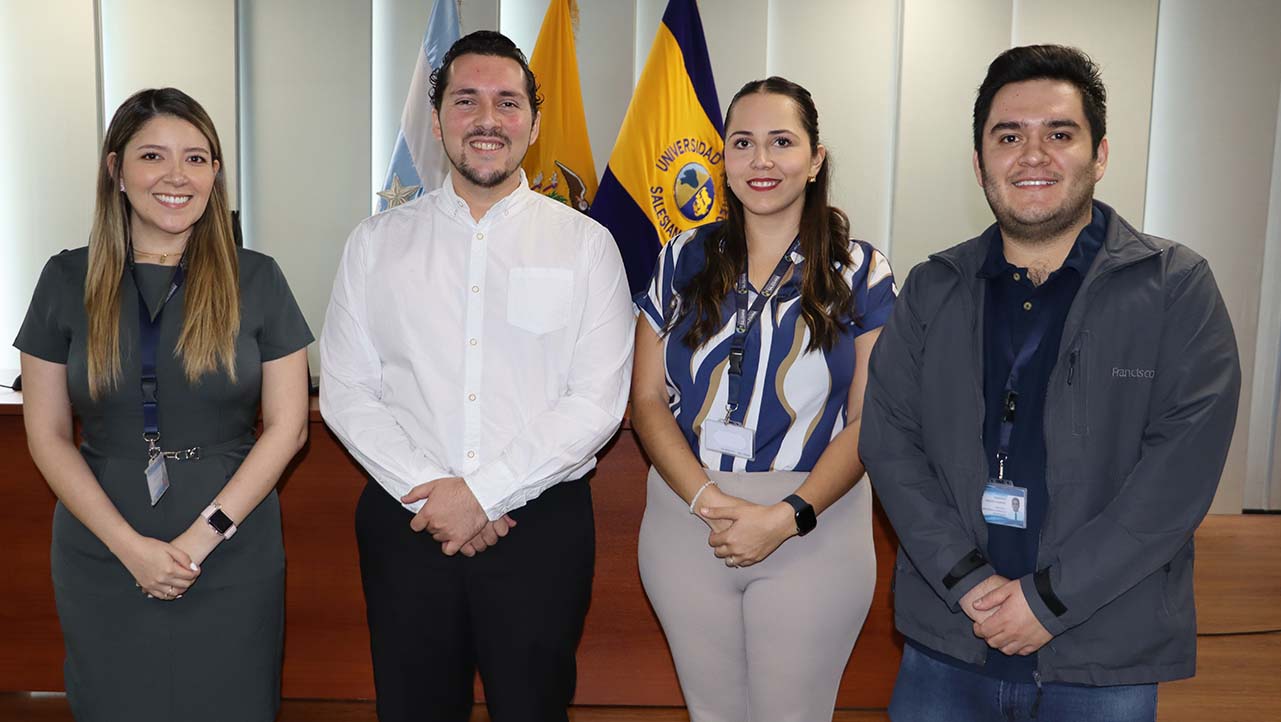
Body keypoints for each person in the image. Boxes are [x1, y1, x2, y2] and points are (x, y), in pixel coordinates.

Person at [861, 45, 1241, 721]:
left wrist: (1048, 601)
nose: (1031, 156)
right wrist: (967, 582)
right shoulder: (931, 289)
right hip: (952, 638)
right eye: (1008, 136)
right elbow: (891, 445)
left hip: (1103, 649)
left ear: (1098, 156)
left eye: (1058, 135)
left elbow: (1175, 479)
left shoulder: (1174, 288)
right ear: (979, 164)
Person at [319, 31, 633, 722]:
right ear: (436, 121)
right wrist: (439, 498)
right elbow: (346, 390)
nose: (487, 119)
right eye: (466, 100)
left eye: (506, 102)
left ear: (533, 121)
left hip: (539, 528)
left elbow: (596, 401)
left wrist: (483, 494)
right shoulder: (375, 244)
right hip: (408, 521)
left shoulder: (586, 246)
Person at [15, 87, 312, 722]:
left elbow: (287, 430)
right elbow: (46, 435)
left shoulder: (257, 277)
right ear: (115, 170)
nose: (178, 176)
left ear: (215, 175)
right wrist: (130, 547)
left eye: (197, 159)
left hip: (230, 547)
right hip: (102, 547)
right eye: (154, 156)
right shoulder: (64, 279)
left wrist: (201, 540)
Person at [632, 76, 895, 722]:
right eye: (742, 143)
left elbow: (869, 421)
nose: (761, 160)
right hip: (688, 518)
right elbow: (643, 402)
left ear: (814, 159)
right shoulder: (678, 261)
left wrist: (782, 517)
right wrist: (708, 500)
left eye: (781, 141)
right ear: (722, 158)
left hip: (813, 522)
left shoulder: (860, 272)